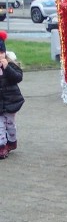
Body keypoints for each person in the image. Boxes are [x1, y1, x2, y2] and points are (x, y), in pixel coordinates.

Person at [0, 31, 24, 159]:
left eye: (1, 53)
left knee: (10, 125)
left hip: (11, 101)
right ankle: (2, 147)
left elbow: (18, 77)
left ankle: (12, 141)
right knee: (0, 126)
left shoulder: (10, 65)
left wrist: (7, 67)